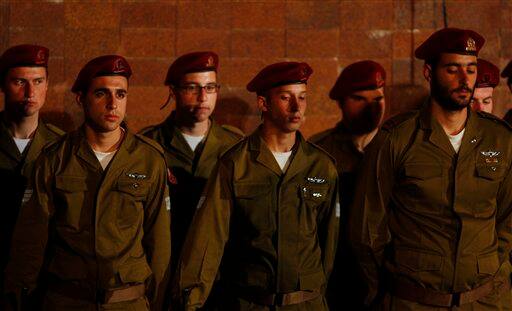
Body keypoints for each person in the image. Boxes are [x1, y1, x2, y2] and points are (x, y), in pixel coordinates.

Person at [349, 27, 512, 310]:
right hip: (414, 301)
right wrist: (383, 290)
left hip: (486, 301)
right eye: (452, 69)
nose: (465, 80)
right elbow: (367, 230)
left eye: (471, 70)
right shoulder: (397, 138)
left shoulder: (499, 138)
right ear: (428, 72)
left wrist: (493, 268)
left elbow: (508, 217)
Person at [4, 55, 171, 311]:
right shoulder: (54, 158)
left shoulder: (148, 159)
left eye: (121, 94)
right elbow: (31, 239)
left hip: (128, 302)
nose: (113, 104)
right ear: (82, 98)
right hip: (66, 301)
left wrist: (157, 301)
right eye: (102, 93)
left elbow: (158, 242)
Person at [172, 62, 339, 310]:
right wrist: (189, 303)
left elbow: (329, 243)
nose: (297, 107)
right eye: (286, 97)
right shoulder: (235, 164)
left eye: (302, 98)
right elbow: (208, 241)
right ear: (263, 104)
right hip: (250, 303)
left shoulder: (321, 166)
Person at [140, 51, 243, 274]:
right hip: (163, 265)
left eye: (210, 87)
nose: (203, 97)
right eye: (192, 88)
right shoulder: (148, 145)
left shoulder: (234, 146)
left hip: (219, 270)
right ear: (173, 91)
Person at [310, 60, 386, 310]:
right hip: (337, 277)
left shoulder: (398, 148)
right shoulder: (320, 151)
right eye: (360, 99)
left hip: (389, 275)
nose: (371, 108)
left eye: (377, 100)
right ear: (341, 103)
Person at [0, 44, 63, 304]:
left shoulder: (62, 146)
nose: (30, 92)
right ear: (3, 85)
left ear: (47, 85)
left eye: (38, 81)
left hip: (44, 279)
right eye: (19, 82)